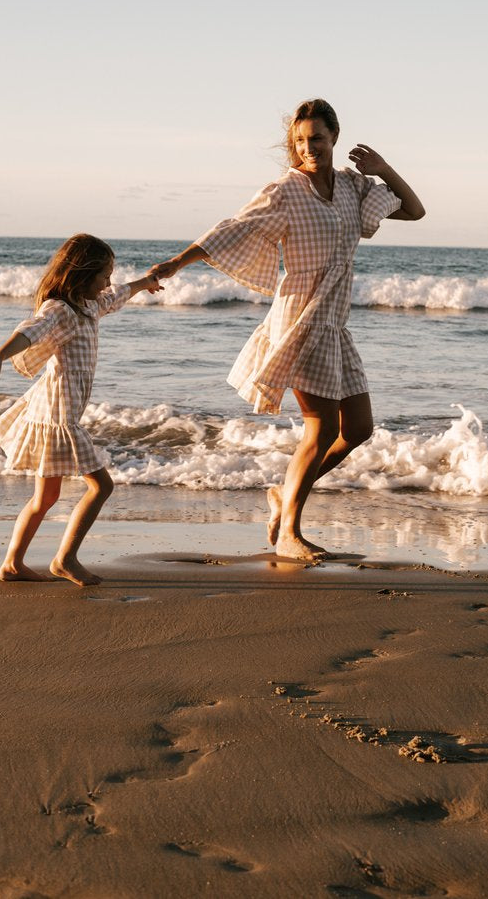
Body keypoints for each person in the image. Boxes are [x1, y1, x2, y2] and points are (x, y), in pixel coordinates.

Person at [152, 99, 425, 560]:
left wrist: (384, 168)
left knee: (357, 429)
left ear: (334, 137)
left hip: (335, 323)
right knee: (318, 429)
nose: (308, 147)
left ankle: (284, 495)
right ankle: (289, 534)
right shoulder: (285, 191)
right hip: (299, 319)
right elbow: (232, 229)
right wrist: (179, 262)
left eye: (316, 137)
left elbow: (414, 210)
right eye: (299, 141)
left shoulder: (354, 188)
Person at [0, 234, 161, 586]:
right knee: (101, 486)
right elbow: (29, 331)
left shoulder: (89, 304)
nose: (108, 281)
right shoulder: (60, 310)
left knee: (45, 497)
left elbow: (116, 296)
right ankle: (65, 558)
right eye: (103, 274)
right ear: (82, 274)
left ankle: (12, 564)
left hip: (56, 410)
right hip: (57, 415)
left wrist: (144, 282)